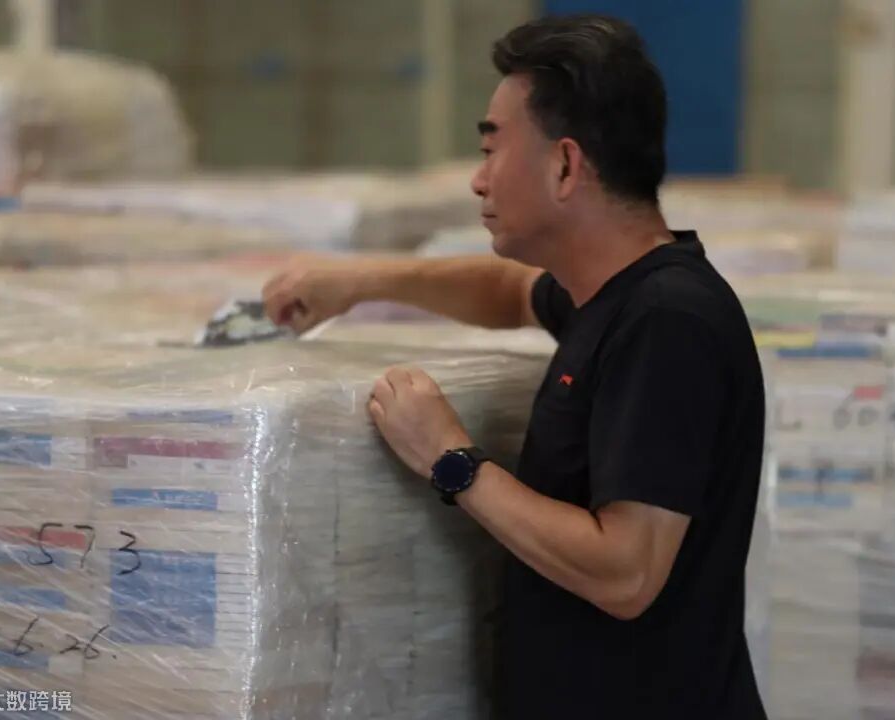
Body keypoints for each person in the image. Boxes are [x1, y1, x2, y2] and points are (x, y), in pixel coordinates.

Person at [263, 14, 767, 719]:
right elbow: (505, 292)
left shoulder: (666, 323)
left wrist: (451, 459)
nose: (478, 181)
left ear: (564, 166)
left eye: (491, 149)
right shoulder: (611, 297)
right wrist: (358, 283)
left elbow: (628, 573)